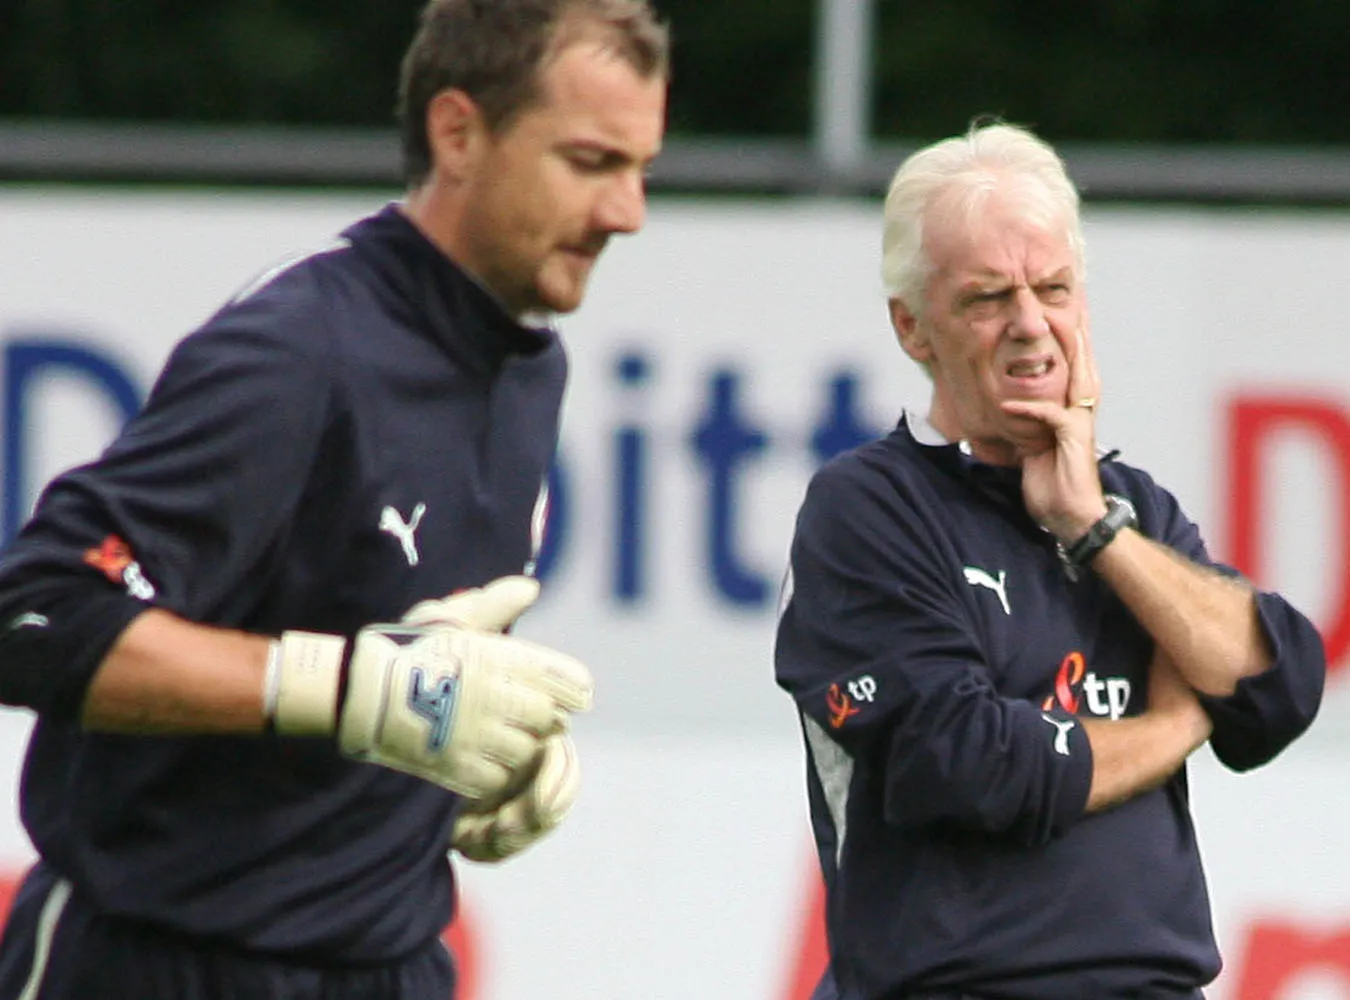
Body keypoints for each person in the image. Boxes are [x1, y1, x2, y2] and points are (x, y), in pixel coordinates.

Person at [0, 1, 668, 997]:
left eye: (641, 167)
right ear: (458, 132)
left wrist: (456, 775)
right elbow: (35, 613)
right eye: (590, 162)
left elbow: (392, 662)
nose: (628, 212)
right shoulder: (300, 351)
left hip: (386, 964)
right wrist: (350, 691)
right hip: (160, 960)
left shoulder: (530, 368)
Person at [774, 120, 1325, 1000]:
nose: (1031, 327)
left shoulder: (1133, 510)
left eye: (1054, 290)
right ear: (913, 328)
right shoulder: (869, 509)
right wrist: (1178, 727)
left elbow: (1274, 689)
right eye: (988, 298)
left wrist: (1092, 530)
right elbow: (976, 765)